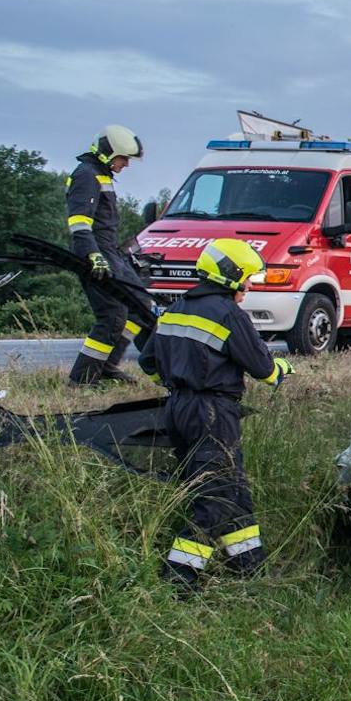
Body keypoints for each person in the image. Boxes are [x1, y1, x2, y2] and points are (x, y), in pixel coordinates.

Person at [139, 239, 293, 589]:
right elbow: (264, 370)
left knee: (234, 492)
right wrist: (284, 368)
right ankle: (179, 578)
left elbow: (148, 363)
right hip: (213, 413)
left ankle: (250, 568)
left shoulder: (174, 309)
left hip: (177, 409)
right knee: (215, 498)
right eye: (249, 279)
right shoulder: (229, 314)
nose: (250, 286)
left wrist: (179, 380)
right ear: (231, 276)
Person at [64, 124, 155, 385]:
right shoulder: (86, 175)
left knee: (141, 305)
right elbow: (79, 224)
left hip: (110, 253)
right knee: (112, 314)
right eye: (123, 158)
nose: (126, 164)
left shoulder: (101, 175)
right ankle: (83, 378)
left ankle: (107, 365)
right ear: (107, 152)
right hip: (95, 254)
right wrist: (93, 255)